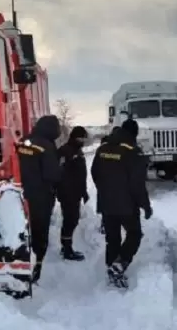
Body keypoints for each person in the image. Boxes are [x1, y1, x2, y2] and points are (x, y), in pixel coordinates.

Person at [90, 119, 152, 288]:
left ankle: (111, 270)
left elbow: (94, 173)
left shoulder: (102, 149)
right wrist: (145, 205)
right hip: (127, 204)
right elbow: (137, 184)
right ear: (134, 133)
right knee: (134, 234)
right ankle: (119, 265)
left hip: (106, 202)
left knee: (113, 239)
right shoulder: (133, 152)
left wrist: (105, 190)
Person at [15, 115, 65, 283]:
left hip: (18, 193)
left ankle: (19, 260)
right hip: (40, 196)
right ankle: (36, 267)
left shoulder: (23, 141)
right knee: (39, 231)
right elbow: (52, 174)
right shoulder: (46, 146)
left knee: (21, 230)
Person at [54, 126, 89, 261]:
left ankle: (67, 247)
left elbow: (80, 174)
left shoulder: (77, 151)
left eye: (84, 138)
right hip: (68, 192)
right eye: (81, 138)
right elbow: (59, 173)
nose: (83, 140)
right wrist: (62, 190)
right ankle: (67, 249)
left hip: (76, 192)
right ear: (75, 137)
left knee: (73, 220)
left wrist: (84, 191)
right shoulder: (65, 151)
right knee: (70, 220)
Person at [96, 126, 121, 235]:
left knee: (106, 205)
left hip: (104, 183)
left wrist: (99, 183)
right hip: (115, 183)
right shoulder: (121, 148)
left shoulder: (102, 148)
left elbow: (95, 169)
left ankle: (105, 225)